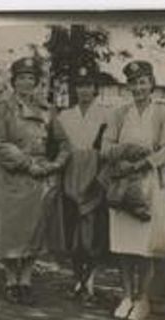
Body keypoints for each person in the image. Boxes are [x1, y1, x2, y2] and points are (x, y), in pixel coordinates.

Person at [0, 57, 70, 305]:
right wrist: (29, 165)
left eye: (31, 78)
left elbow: (64, 143)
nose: (26, 83)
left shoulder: (46, 109)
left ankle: (26, 280)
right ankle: (11, 280)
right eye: (22, 78)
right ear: (14, 80)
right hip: (11, 175)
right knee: (9, 230)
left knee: (35, 230)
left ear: (37, 82)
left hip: (39, 178)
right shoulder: (2, 107)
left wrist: (56, 164)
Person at [100, 60, 165, 320]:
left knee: (145, 246)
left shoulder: (164, 113)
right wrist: (124, 151)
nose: (138, 87)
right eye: (133, 83)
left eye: (142, 81)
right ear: (128, 86)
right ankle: (125, 296)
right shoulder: (119, 114)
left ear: (151, 83)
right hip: (122, 184)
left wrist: (143, 162)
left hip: (150, 185)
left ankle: (142, 299)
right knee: (123, 244)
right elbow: (106, 147)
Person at [58, 62, 110, 302]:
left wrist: (100, 177)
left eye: (88, 85)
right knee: (72, 230)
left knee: (93, 231)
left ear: (95, 88)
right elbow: (59, 148)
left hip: (95, 177)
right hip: (70, 177)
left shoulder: (106, 115)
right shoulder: (65, 116)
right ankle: (77, 279)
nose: (84, 91)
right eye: (80, 86)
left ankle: (90, 281)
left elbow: (108, 150)